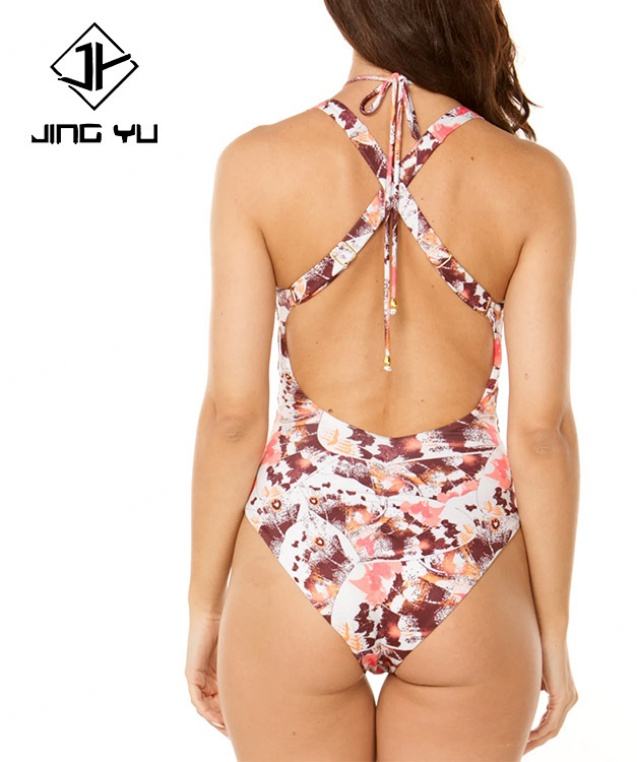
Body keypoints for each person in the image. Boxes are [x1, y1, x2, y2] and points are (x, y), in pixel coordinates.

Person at [186, 2, 579, 759]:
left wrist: (205, 609)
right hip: (465, 560)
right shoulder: (532, 178)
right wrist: (553, 632)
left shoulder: (256, 163)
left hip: (299, 549)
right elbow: (541, 432)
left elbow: (232, 415)